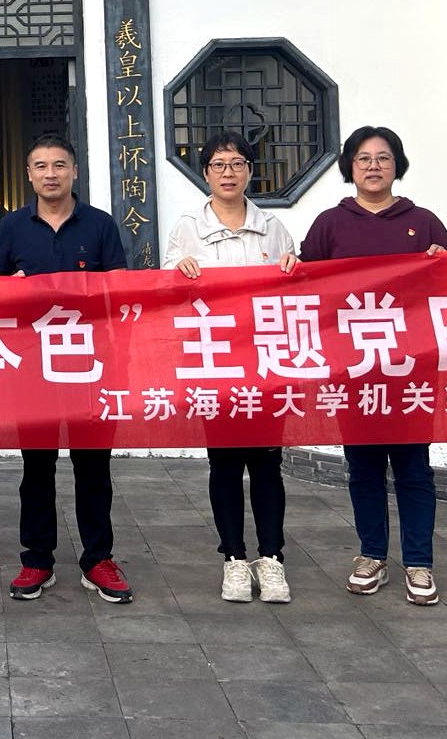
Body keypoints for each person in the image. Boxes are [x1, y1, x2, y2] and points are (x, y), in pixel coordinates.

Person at [301, 124, 447, 607]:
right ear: (350, 166)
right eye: (363, 158)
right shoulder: (330, 224)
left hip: (411, 368)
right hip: (355, 368)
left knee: (413, 469)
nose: (373, 166)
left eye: (383, 158)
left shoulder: (423, 222)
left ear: (397, 165)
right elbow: (305, 288)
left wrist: (443, 261)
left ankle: (419, 562)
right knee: (363, 469)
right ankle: (371, 555)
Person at [0, 133, 134, 603]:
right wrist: (8, 290)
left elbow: (120, 290)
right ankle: (37, 559)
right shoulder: (13, 226)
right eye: (40, 166)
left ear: (75, 171)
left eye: (59, 165)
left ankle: (98, 559)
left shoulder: (101, 225)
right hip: (31, 369)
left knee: (93, 469)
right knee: (36, 469)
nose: (50, 174)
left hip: (92, 368)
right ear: (28, 175)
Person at [164, 132, 299, 604]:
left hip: (264, 364)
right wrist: (178, 274)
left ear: (249, 171)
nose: (228, 173)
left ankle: (272, 558)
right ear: (205, 173)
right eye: (219, 164)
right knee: (224, 464)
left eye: (237, 163)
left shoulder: (273, 228)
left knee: (266, 464)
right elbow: (169, 295)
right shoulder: (187, 229)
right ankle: (235, 560)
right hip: (215, 364)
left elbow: (294, 293)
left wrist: (294, 268)